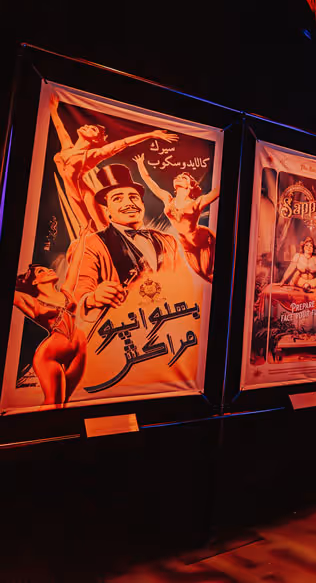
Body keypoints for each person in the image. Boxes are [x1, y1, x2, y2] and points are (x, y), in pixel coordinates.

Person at [65, 164, 214, 323]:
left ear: (142, 204)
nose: (129, 203)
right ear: (107, 209)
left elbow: (183, 286)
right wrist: (92, 299)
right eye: (118, 199)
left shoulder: (168, 241)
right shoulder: (91, 243)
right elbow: (76, 294)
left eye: (133, 197)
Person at [49, 95, 178, 229]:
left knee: (102, 228)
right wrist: (53, 108)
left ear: (95, 140)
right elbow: (59, 126)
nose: (86, 126)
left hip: (85, 195)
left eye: (93, 129)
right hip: (72, 195)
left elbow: (123, 143)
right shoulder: (67, 147)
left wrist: (151, 135)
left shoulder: (93, 155)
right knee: (85, 230)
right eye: (89, 126)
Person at [133, 154, 219, 281]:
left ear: (190, 186)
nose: (179, 177)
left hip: (203, 240)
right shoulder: (168, 199)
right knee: (205, 276)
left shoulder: (196, 203)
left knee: (210, 271)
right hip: (187, 247)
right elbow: (149, 181)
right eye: (177, 176)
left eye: (183, 177)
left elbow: (216, 192)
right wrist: (140, 163)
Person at [13, 264, 86, 406]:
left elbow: (76, 263)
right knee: (53, 404)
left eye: (48, 268)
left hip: (79, 349)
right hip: (49, 356)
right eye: (41, 271)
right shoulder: (33, 303)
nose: (49, 270)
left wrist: (82, 240)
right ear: (34, 281)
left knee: (65, 404)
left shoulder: (66, 292)